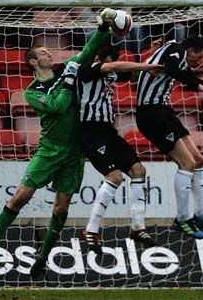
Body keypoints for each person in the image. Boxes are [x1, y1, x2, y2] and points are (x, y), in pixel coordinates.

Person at [0, 8, 116, 279]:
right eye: (42, 53)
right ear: (32, 62)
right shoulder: (31, 91)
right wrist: (68, 81)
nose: (48, 54)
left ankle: (42, 258)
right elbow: (58, 105)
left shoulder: (66, 70)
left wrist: (101, 30)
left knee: (61, 208)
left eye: (48, 52)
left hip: (75, 153)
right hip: (49, 149)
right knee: (21, 197)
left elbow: (86, 53)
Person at [136, 36, 203, 239]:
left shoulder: (178, 60)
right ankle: (183, 219)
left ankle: (201, 215)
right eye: (199, 57)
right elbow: (171, 69)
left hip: (163, 112)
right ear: (190, 50)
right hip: (151, 114)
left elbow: (187, 77)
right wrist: (198, 86)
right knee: (187, 163)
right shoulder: (174, 49)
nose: (199, 62)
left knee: (198, 160)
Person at [77, 44, 162, 254]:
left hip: (108, 131)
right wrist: (143, 64)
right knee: (114, 177)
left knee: (138, 171)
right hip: (90, 132)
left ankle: (137, 227)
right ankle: (91, 228)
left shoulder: (111, 74)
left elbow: (130, 76)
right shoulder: (86, 69)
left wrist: (147, 54)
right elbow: (113, 66)